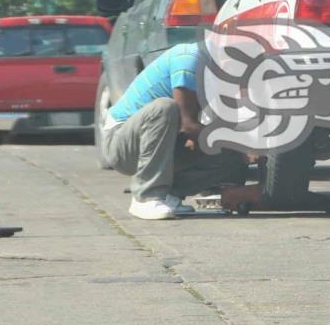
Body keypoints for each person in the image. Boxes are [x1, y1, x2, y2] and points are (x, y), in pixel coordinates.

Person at [100, 42, 244, 220]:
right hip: (121, 143)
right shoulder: (188, 58)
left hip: (162, 145)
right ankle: (146, 197)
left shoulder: (217, 73)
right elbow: (188, 125)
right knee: (165, 107)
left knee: (233, 153)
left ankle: (169, 195)